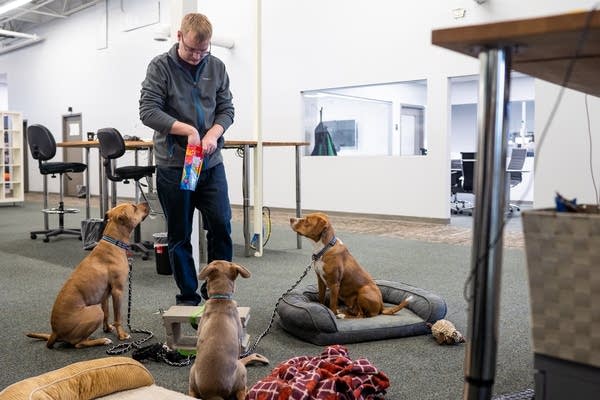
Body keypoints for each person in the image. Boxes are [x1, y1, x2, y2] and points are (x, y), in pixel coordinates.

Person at [139, 13, 234, 306]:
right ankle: (189, 297)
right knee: (180, 234)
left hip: (210, 163)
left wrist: (213, 134)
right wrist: (189, 130)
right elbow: (148, 111)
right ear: (179, 36)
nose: (196, 56)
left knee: (221, 226)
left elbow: (226, 109)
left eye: (202, 51)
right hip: (175, 165)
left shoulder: (217, 67)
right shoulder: (160, 67)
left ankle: (218, 292)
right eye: (191, 49)